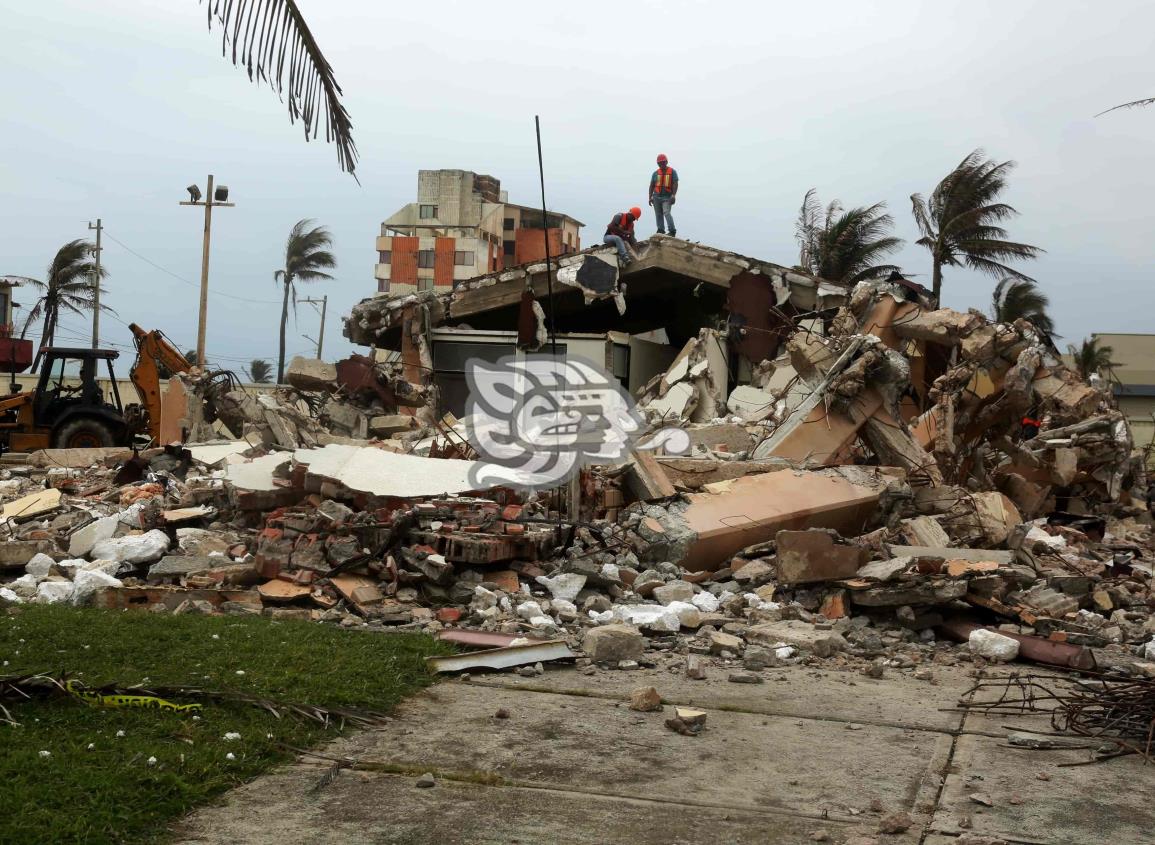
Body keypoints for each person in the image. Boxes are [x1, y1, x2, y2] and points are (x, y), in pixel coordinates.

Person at [648, 153, 678, 236]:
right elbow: (651, 186)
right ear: (658, 164)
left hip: (667, 197)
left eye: (663, 162)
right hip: (656, 196)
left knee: (666, 212)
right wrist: (650, 197)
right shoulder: (655, 173)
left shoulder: (672, 172)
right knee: (658, 214)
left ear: (666, 162)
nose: (661, 164)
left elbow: (675, 183)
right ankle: (660, 230)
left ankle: (672, 231)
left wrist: (673, 195)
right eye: (660, 163)